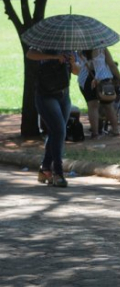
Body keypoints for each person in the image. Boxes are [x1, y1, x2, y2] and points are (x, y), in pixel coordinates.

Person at [26, 48, 80, 187]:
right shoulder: (46, 42)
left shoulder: (70, 47)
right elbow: (30, 54)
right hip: (45, 94)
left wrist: (73, 63)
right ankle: (58, 172)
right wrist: (54, 56)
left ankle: (45, 168)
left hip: (64, 94)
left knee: (56, 132)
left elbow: (77, 71)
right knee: (60, 131)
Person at [75, 48, 120, 139]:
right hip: (103, 78)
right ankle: (115, 130)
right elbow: (112, 65)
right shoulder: (102, 49)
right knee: (108, 105)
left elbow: (77, 67)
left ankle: (95, 133)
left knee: (92, 106)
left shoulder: (80, 50)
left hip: (86, 79)